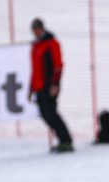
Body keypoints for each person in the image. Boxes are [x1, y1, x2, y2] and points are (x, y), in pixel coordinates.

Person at [30, 18, 74, 153]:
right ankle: (62, 140)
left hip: (49, 86)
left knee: (51, 114)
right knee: (45, 114)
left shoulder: (51, 43)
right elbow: (35, 69)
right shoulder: (36, 45)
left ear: (42, 28)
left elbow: (58, 64)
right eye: (34, 30)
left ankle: (66, 141)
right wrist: (30, 88)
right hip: (39, 87)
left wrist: (55, 83)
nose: (35, 32)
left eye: (37, 29)